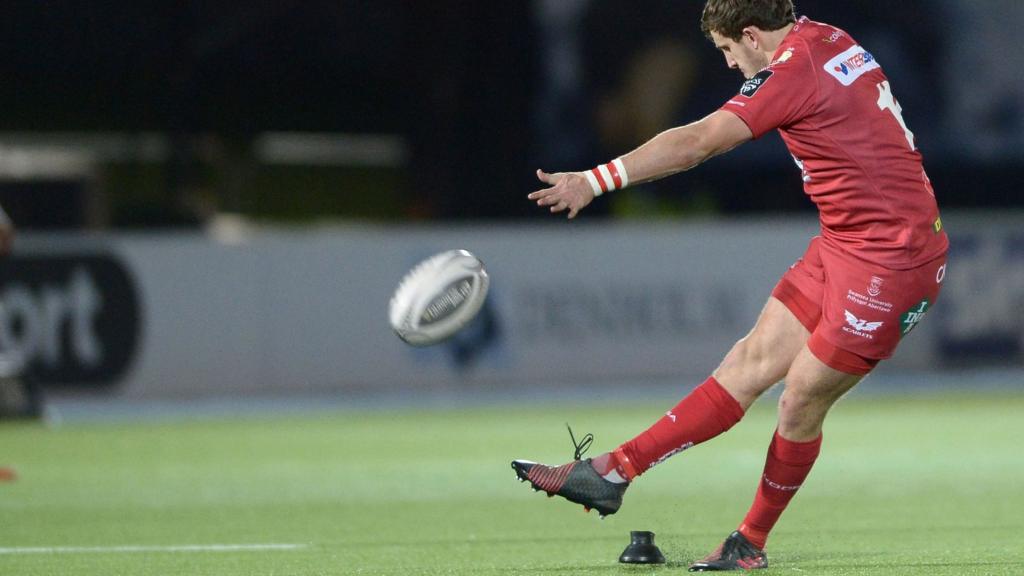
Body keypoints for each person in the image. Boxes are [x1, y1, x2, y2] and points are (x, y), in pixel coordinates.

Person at [512, 0, 949, 571]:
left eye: (725, 50)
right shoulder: (825, 37)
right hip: (844, 242)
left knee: (797, 402)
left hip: (895, 260)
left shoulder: (794, 70)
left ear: (749, 34)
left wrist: (595, 180)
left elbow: (698, 143)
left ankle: (750, 543)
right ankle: (611, 473)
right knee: (746, 365)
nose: (727, 64)